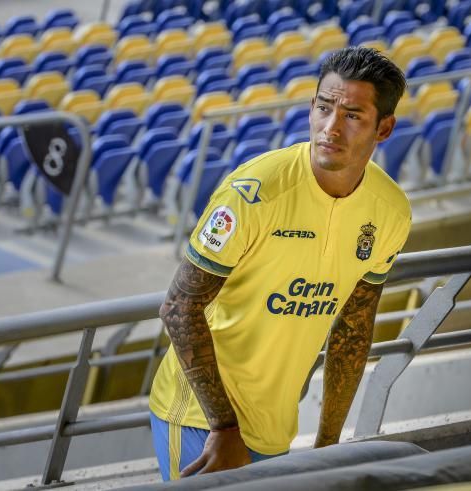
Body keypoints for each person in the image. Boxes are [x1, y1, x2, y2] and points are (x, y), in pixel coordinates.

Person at [148, 46, 411, 481]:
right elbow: (179, 307)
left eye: (352, 116)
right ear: (312, 107)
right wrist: (224, 426)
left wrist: (327, 444)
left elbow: (353, 328)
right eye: (324, 108)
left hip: (275, 430)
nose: (331, 128)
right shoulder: (254, 192)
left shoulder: (390, 210)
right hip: (200, 416)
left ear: (384, 128)